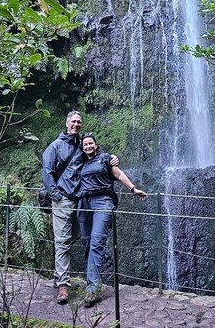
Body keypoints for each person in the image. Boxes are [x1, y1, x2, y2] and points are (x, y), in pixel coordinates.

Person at [42, 111, 118, 305]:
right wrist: (57, 196)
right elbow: (47, 173)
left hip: (82, 201)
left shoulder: (81, 144)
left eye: (79, 122)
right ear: (66, 123)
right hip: (63, 200)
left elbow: (96, 159)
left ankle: (85, 283)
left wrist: (112, 159)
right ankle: (62, 285)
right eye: (73, 121)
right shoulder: (55, 147)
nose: (76, 124)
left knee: (81, 240)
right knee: (62, 241)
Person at [77, 133, 147, 308]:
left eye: (90, 144)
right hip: (84, 203)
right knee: (86, 244)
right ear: (82, 147)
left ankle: (92, 289)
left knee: (96, 243)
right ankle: (92, 282)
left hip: (103, 202)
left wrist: (133, 189)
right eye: (85, 144)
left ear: (95, 144)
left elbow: (119, 174)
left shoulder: (105, 159)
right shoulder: (80, 162)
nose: (88, 147)